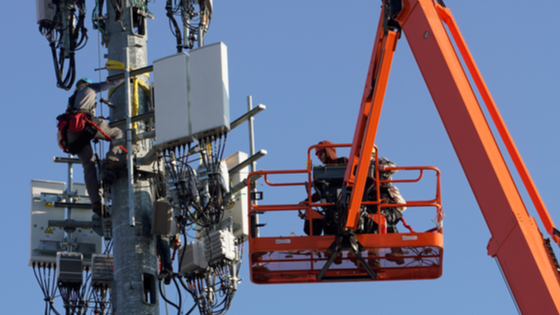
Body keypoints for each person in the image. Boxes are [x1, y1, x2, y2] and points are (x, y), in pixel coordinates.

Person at [66, 77, 125, 217]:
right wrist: (126, 76)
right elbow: (112, 83)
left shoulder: (72, 99)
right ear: (87, 83)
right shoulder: (90, 88)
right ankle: (111, 160)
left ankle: (96, 203)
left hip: (72, 133)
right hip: (85, 123)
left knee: (88, 166)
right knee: (117, 133)